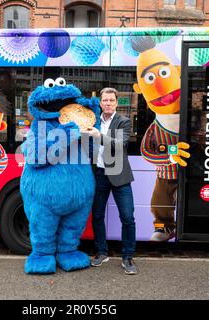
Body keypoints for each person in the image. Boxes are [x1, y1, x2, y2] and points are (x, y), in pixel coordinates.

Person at [81, 87, 137, 275]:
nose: (108, 103)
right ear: (100, 102)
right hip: (99, 174)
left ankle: (128, 257)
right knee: (97, 215)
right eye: (105, 100)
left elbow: (121, 145)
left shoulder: (124, 121)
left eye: (112, 100)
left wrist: (99, 136)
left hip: (119, 174)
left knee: (127, 217)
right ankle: (101, 252)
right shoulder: (93, 121)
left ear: (116, 102)